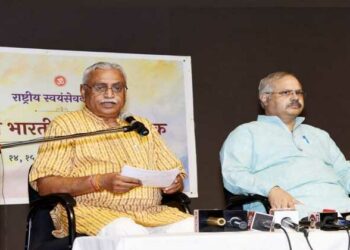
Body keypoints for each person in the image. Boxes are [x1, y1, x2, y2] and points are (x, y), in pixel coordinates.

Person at [29, 62, 193, 238]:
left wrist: (175, 182)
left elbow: (175, 174)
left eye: (117, 87)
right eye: (100, 88)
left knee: (194, 227)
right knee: (128, 232)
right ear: (83, 92)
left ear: (125, 92)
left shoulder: (141, 126)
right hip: (92, 213)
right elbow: (45, 186)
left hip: (152, 213)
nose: (109, 94)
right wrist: (98, 181)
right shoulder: (65, 125)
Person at [220, 71, 350, 218]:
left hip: (342, 208)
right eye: (286, 92)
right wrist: (271, 189)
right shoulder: (246, 133)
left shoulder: (319, 135)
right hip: (294, 212)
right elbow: (234, 174)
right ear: (265, 97)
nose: (295, 97)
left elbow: (344, 171)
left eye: (299, 92)